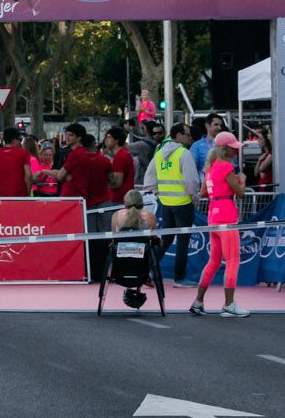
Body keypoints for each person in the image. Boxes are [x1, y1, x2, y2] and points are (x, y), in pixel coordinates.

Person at [190, 131, 248, 318]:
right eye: (234, 148)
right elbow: (240, 193)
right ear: (226, 149)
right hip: (227, 215)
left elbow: (203, 193)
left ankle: (198, 301)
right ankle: (229, 304)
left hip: (213, 216)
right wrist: (242, 180)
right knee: (232, 261)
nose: (236, 151)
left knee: (213, 261)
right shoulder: (226, 167)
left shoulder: (210, 168)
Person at [142, 121, 200, 285]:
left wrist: (158, 193)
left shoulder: (159, 153)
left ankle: (146, 270)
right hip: (183, 203)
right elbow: (192, 181)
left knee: (166, 239)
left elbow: (149, 178)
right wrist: (194, 197)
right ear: (179, 135)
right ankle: (180, 278)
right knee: (182, 241)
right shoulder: (184, 153)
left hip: (165, 204)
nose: (190, 138)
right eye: (188, 134)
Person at [0, 127, 32, 197]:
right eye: (19, 139)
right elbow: (28, 175)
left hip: (1, 198)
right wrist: (27, 193)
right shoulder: (23, 153)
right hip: (20, 197)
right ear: (14, 140)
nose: (20, 142)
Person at [102, 126, 136, 205]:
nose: (106, 140)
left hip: (118, 199)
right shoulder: (124, 154)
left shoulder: (120, 157)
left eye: (109, 137)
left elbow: (117, 183)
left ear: (116, 140)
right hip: (124, 198)